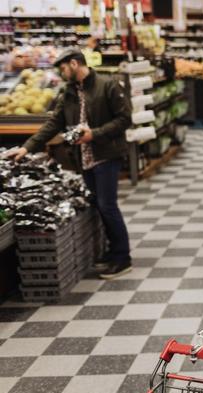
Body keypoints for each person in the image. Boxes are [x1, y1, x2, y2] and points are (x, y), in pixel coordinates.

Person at [4, 48, 133, 279]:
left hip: (106, 155)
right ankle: (112, 251)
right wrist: (27, 147)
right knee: (97, 204)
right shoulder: (69, 92)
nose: (62, 73)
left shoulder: (107, 85)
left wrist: (94, 134)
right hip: (83, 158)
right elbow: (54, 123)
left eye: (63, 68)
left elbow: (125, 119)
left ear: (74, 64)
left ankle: (122, 258)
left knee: (107, 205)